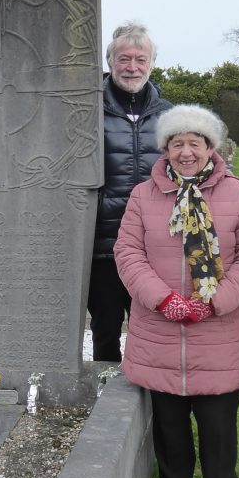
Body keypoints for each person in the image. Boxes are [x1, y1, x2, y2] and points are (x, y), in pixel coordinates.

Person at [115, 105, 239, 478]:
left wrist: (215, 300)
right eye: (177, 143)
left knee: (218, 419)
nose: (186, 152)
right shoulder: (144, 196)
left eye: (194, 143)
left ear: (210, 147)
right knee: (169, 419)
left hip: (215, 328)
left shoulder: (238, 194)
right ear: (165, 149)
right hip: (159, 328)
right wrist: (164, 300)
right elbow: (128, 253)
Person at [90, 21, 172, 362]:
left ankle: (150, 407)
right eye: (124, 59)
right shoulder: (89, 109)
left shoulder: (167, 115)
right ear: (110, 62)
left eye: (141, 59)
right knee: (105, 330)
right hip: (102, 247)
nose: (132, 67)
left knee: (152, 331)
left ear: (151, 63)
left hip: (152, 247)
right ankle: (106, 406)